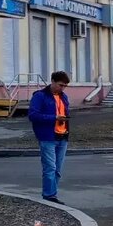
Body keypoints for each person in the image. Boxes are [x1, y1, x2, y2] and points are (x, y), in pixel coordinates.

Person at [28, 71, 72, 204]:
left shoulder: (63, 97)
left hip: (62, 136)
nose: (62, 88)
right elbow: (33, 115)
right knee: (50, 168)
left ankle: (52, 194)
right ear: (52, 81)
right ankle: (49, 195)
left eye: (65, 86)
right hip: (47, 137)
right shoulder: (40, 96)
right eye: (60, 85)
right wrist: (54, 118)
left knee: (57, 169)